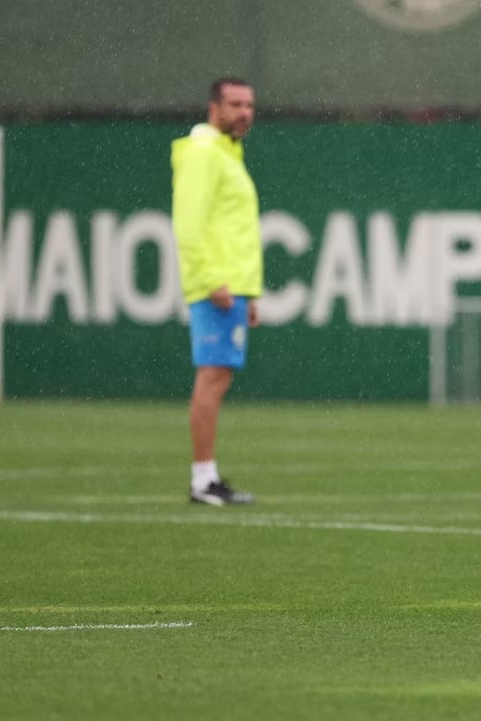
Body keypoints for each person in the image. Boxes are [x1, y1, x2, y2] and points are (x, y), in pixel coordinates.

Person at [171, 77, 263, 506]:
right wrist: (212, 281)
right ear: (214, 107)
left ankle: (205, 478)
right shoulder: (205, 154)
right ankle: (202, 480)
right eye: (235, 104)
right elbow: (189, 224)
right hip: (216, 286)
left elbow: (233, 230)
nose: (244, 112)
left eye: (249, 104)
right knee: (211, 377)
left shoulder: (227, 153)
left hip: (232, 287)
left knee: (218, 377)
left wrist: (250, 292)